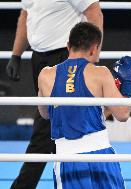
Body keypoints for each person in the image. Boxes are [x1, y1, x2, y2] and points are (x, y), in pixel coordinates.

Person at [5, 0, 103, 188]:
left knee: (48, 126)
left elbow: (94, 13)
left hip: (66, 58)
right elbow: (27, 14)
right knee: (53, 124)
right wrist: (16, 55)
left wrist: (92, 57)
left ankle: (22, 186)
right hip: (39, 58)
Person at [37, 22, 131, 188]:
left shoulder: (45, 75)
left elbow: (44, 113)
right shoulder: (100, 73)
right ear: (94, 48)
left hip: (67, 158)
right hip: (101, 156)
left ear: (68, 46)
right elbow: (123, 114)